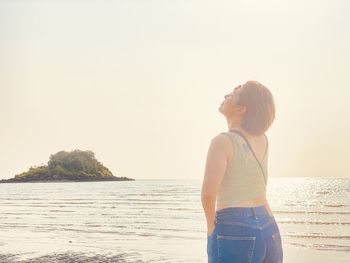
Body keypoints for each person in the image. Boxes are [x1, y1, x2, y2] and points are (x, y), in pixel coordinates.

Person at [201, 81, 283, 263]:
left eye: (232, 94)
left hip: (234, 227)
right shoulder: (263, 140)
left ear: (241, 109)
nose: (225, 96)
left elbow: (208, 194)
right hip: (269, 226)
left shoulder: (222, 142)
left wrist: (211, 229)